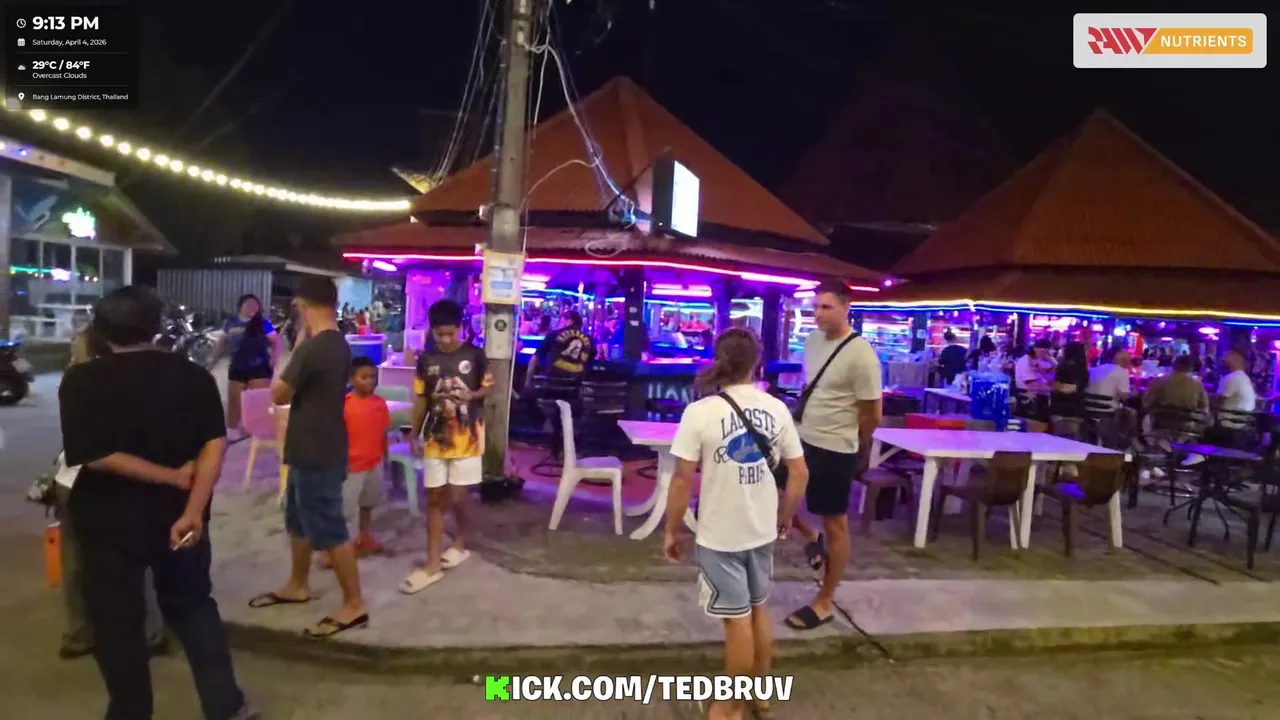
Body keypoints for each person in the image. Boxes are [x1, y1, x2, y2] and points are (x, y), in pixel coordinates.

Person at [59, 286, 255, 720]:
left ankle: (130, 711)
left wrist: (171, 478)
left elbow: (96, 455)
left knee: (117, 621)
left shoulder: (82, 380)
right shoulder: (193, 376)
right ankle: (226, 706)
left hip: (109, 523)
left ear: (100, 330)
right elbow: (214, 444)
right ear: (156, 326)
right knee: (193, 606)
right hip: (178, 518)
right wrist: (192, 508)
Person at [663, 328, 808, 720]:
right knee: (759, 610)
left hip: (720, 534)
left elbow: (682, 480)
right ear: (757, 363)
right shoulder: (777, 408)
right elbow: (799, 472)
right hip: (761, 529)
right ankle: (760, 694)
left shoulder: (700, 412)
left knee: (737, 622)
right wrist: (785, 517)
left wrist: (672, 530)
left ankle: (729, 706)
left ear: (718, 360)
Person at [250, 276, 368, 640]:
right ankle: (297, 584)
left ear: (302, 306)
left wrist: (298, 345)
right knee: (297, 520)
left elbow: (278, 394)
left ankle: (354, 604)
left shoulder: (314, 348)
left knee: (329, 527)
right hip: (313, 444)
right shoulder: (338, 344)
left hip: (317, 448)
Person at [54, 327, 167, 661]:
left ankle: (83, 632)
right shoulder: (146, 378)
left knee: (79, 560)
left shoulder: (79, 382)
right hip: (127, 478)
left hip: (83, 481)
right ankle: (149, 633)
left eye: (76, 349)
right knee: (136, 559)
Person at [788, 281, 882, 631]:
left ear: (846, 308)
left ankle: (825, 600)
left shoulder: (862, 355)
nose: (817, 314)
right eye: (815, 307)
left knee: (835, 523)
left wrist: (854, 445)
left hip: (835, 447)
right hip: (801, 439)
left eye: (826, 307)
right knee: (770, 493)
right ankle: (810, 537)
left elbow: (873, 414)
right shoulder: (812, 341)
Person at [400, 299, 494, 594]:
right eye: (439, 334)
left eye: (450, 333)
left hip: (468, 438)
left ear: (460, 328)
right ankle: (432, 562)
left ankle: (460, 541)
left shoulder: (476, 355)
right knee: (434, 498)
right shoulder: (426, 359)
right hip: (435, 437)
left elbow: (486, 388)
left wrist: (471, 395)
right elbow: (421, 399)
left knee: (458, 497)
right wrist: (413, 433)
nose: (445, 339)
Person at [342, 356, 391, 556]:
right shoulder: (344, 405)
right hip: (351, 466)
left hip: (374, 463)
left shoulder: (379, 403)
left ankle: (364, 537)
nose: (370, 381)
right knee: (344, 510)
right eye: (364, 377)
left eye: (373, 377)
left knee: (368, 504)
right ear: (351, 380)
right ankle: (334, 549)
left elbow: (383, 432)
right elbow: (337, 435)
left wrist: (385, 456)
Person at [219, 294, 280, 439]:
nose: (253, 307)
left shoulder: (263, 323)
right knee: (234, 402)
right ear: (240, 306)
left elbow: (275, 342)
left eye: (255, 304)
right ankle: (232, 431)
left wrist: (274, 359)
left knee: (258, 402)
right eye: (249, 304)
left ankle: (257, 433)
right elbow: (222, 341)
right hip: (237, 366)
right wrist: (214, 357)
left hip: (259, 367)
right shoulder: (230, 322)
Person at [525, 309, 595, 386]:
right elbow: (591, 362)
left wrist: (527, 382)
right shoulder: (588, 339)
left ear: (569, 321)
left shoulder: (554, 334)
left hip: (552, 383)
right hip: (575, 385)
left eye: (562, 321)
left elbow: (534, 359)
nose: (560, 323)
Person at [1145, 354, 1210, 415]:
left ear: (1173, 365)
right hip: (1187, 421)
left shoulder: (1158, 381)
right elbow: (1204, 408)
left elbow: (1147, 403)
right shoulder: (1197, 384)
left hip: (1159, 420)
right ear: (1191, 367)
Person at [1217, 348, 1257, 427]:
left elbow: (1217, 402)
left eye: (1227, 356)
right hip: (1242, 423)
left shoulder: (1232, 378)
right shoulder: (1244, 377)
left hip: (1228, 423)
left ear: (1236, 359)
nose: (1223, 359)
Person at [1049, 341, 1090, 420]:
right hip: (1077, 408)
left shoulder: (1063, 367)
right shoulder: (1083, 369)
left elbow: (1057, 386)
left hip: (1060, 407)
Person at [1084, 345, 1132, 412]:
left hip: (1087, 410)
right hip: (1108, 413)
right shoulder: (1122, 372)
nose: (1128, 363)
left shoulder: (1092, 370)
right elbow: (1125, 398)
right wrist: (1134, 393)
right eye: (1127, 359)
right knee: (1131, 412)